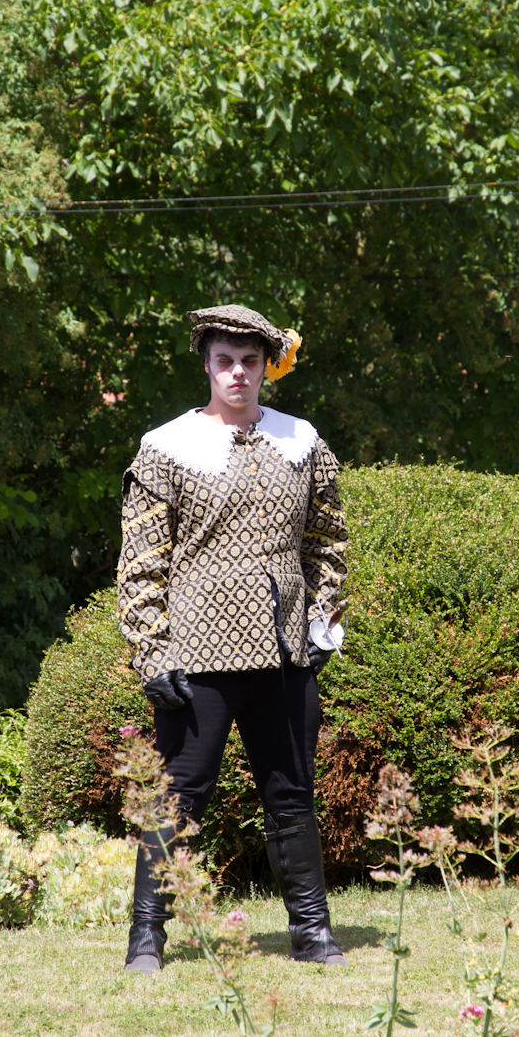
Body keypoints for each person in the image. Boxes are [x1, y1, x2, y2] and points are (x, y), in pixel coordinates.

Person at [116, 304, 348, 972]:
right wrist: (151, 650)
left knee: (292, 793)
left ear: (267, 366)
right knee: (177, 799)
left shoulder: (301, 441)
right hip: (197, 656)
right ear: (207, 365)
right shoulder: (167, 446)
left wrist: (324, 620)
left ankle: (313, 934)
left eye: (249, 361)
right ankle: (146, 940)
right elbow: (140, 562)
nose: (238, 373)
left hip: (285, 651)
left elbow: (327, 541)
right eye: (225, 361)